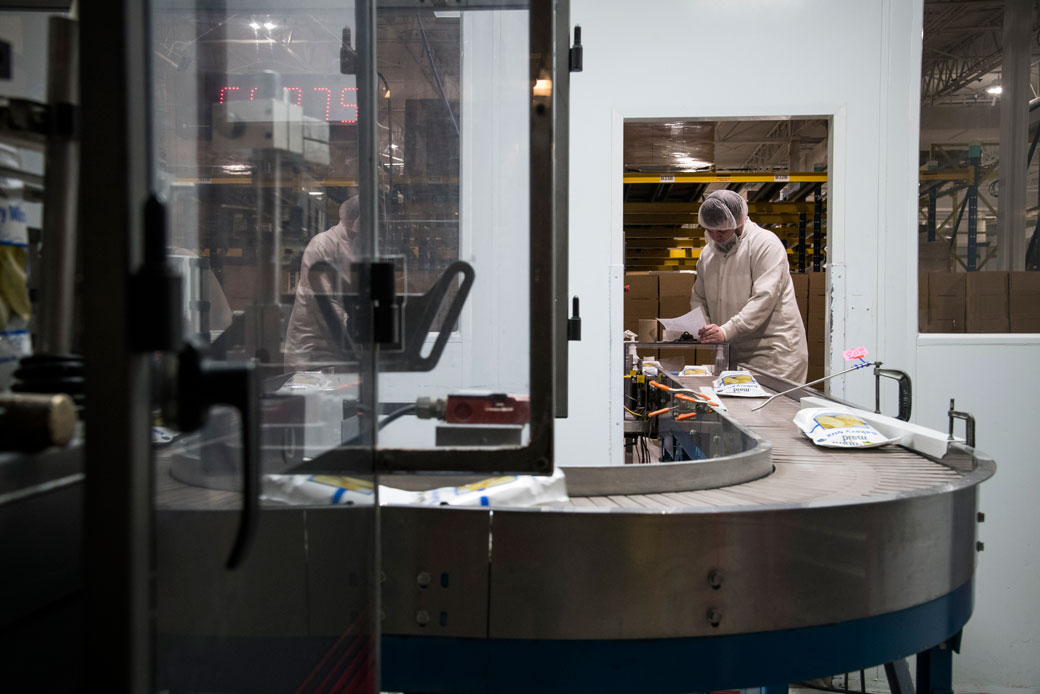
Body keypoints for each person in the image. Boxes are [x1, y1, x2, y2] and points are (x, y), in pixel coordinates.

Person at [690, 189, 808, 382]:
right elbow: (698, 297)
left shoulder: (765, 244)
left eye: (722, 231)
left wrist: (727, 330)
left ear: (740, 220)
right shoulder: (708, 254)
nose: (716, 236)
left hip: (772, 354)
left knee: (770, 410)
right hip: (731, 350)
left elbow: (764, 298)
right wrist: (704, 328)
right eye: (710, 230)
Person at [284, 196, 360, 370]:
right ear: (355, 219)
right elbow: (322, 302)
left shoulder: (358, 245)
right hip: (312, 345)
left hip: (339, 345)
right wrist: (355, 326)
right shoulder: (322, 244)